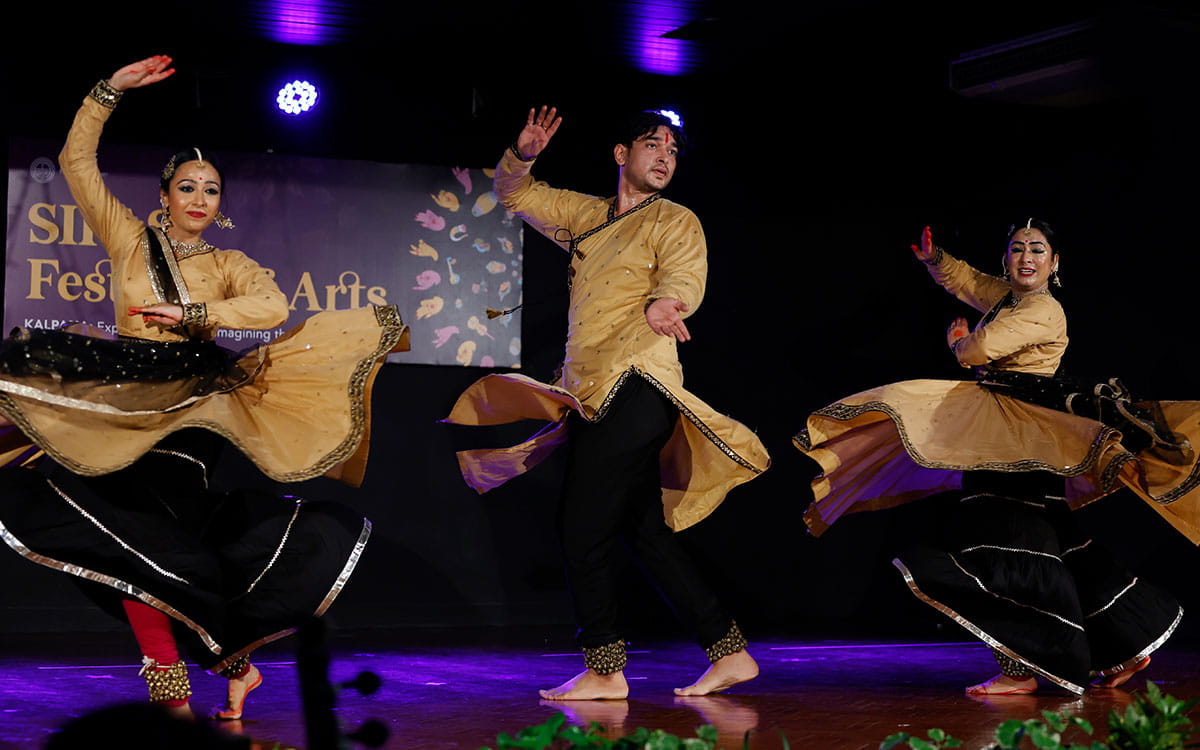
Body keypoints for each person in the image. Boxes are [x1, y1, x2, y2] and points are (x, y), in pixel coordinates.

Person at [0, 56, 408, 718]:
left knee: (150, 543)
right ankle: (232, 667)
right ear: (163, 196)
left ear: (219, 204)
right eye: (187, 186)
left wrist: (194, 315)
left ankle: (175, 687)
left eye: (211, 189)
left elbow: (272, 308)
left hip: (191, 409)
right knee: (124, 544)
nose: (198, 198)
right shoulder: (129, 241)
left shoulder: (232, 264)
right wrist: (108, 93)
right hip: (122, 403)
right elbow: (77, 163)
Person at [442, 106, 770, 699]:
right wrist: (525, 153)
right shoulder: (586, 216)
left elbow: (685, 276)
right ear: (623, 154)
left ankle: (604, 668)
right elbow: (514, 194)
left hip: (639, 383)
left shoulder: (676, 220)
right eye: (652, 145)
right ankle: (729, 651)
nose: (665, 156)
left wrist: (666, 303)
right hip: (589, 393)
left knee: (580, 528)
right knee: (642, 531)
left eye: (673, 149)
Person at [794, 220, 1196, 695]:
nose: (1027, 258)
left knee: (1000, 540)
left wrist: (958, 344)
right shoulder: (1012, 296)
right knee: (1056, 542)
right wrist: (936, 261)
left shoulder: (1044, 309)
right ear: (1007, 259)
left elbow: (980, 349)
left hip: (1019, 438)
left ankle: (1020, 671)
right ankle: (1128, 648)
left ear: (1055, 263)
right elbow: (972, 283)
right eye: (1017, 249)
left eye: (1038, 250)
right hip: (1015, 434)